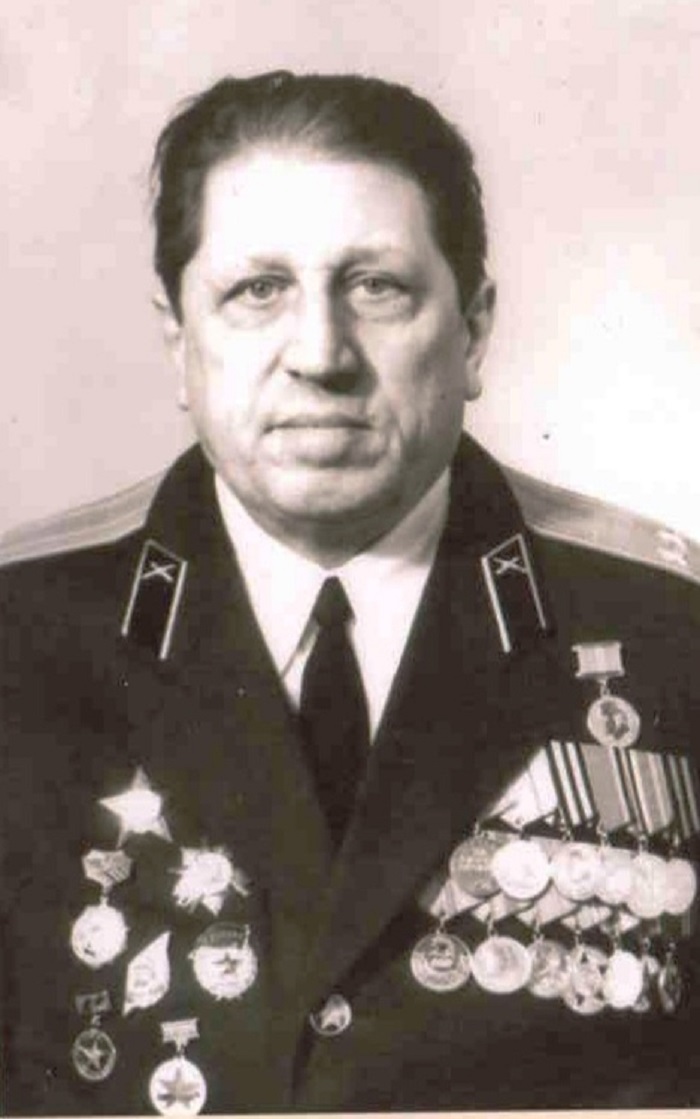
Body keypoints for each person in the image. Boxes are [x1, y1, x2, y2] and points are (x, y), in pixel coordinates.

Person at [2, 69, 700, 1116]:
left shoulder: (670, 627)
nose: (321, 355)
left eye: (376, 286)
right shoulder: (19, 635)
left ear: (474, 331)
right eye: (257, 290)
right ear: (178, 340)